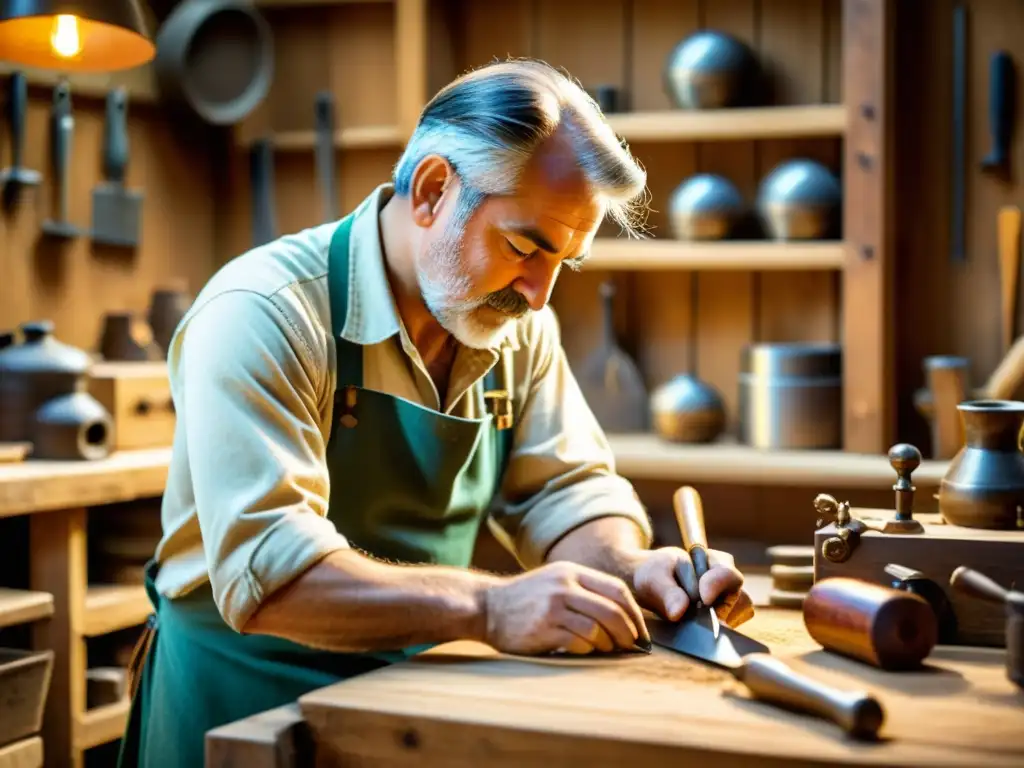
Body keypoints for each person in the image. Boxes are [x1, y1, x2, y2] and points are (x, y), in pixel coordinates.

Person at [118, 58, 754, 768]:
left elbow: (564, 491)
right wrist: (489, 610)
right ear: (430, 191)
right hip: (240, 706)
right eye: (523, 247)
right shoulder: (263, 313)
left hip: (409, 704)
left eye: (563, 262)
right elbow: (272, 577)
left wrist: (630, 570)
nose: (539, 295)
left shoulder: (509, 321)